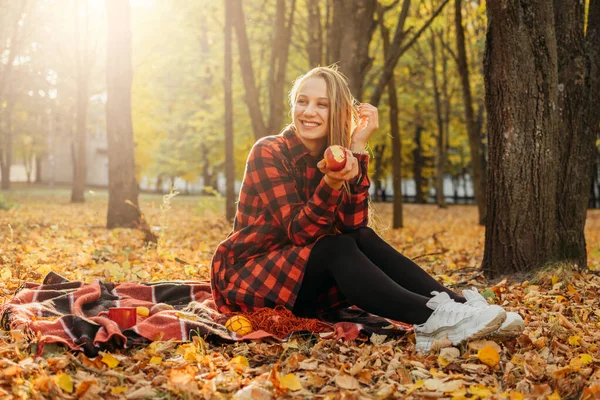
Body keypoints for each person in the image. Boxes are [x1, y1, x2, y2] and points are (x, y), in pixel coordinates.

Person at [210, 66, 523, 352]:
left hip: (303, 280)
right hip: (250, 277)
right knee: (333, 247)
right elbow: (298, 231)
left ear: (338, 112)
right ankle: (431, 317)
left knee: (358, 238)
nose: (309, 112)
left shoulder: (338, 154)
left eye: (322, 104)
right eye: (302, 102)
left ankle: (462, 309)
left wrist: (357, 148)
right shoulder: (269, 151)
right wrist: (331, 183)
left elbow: (353, 226)